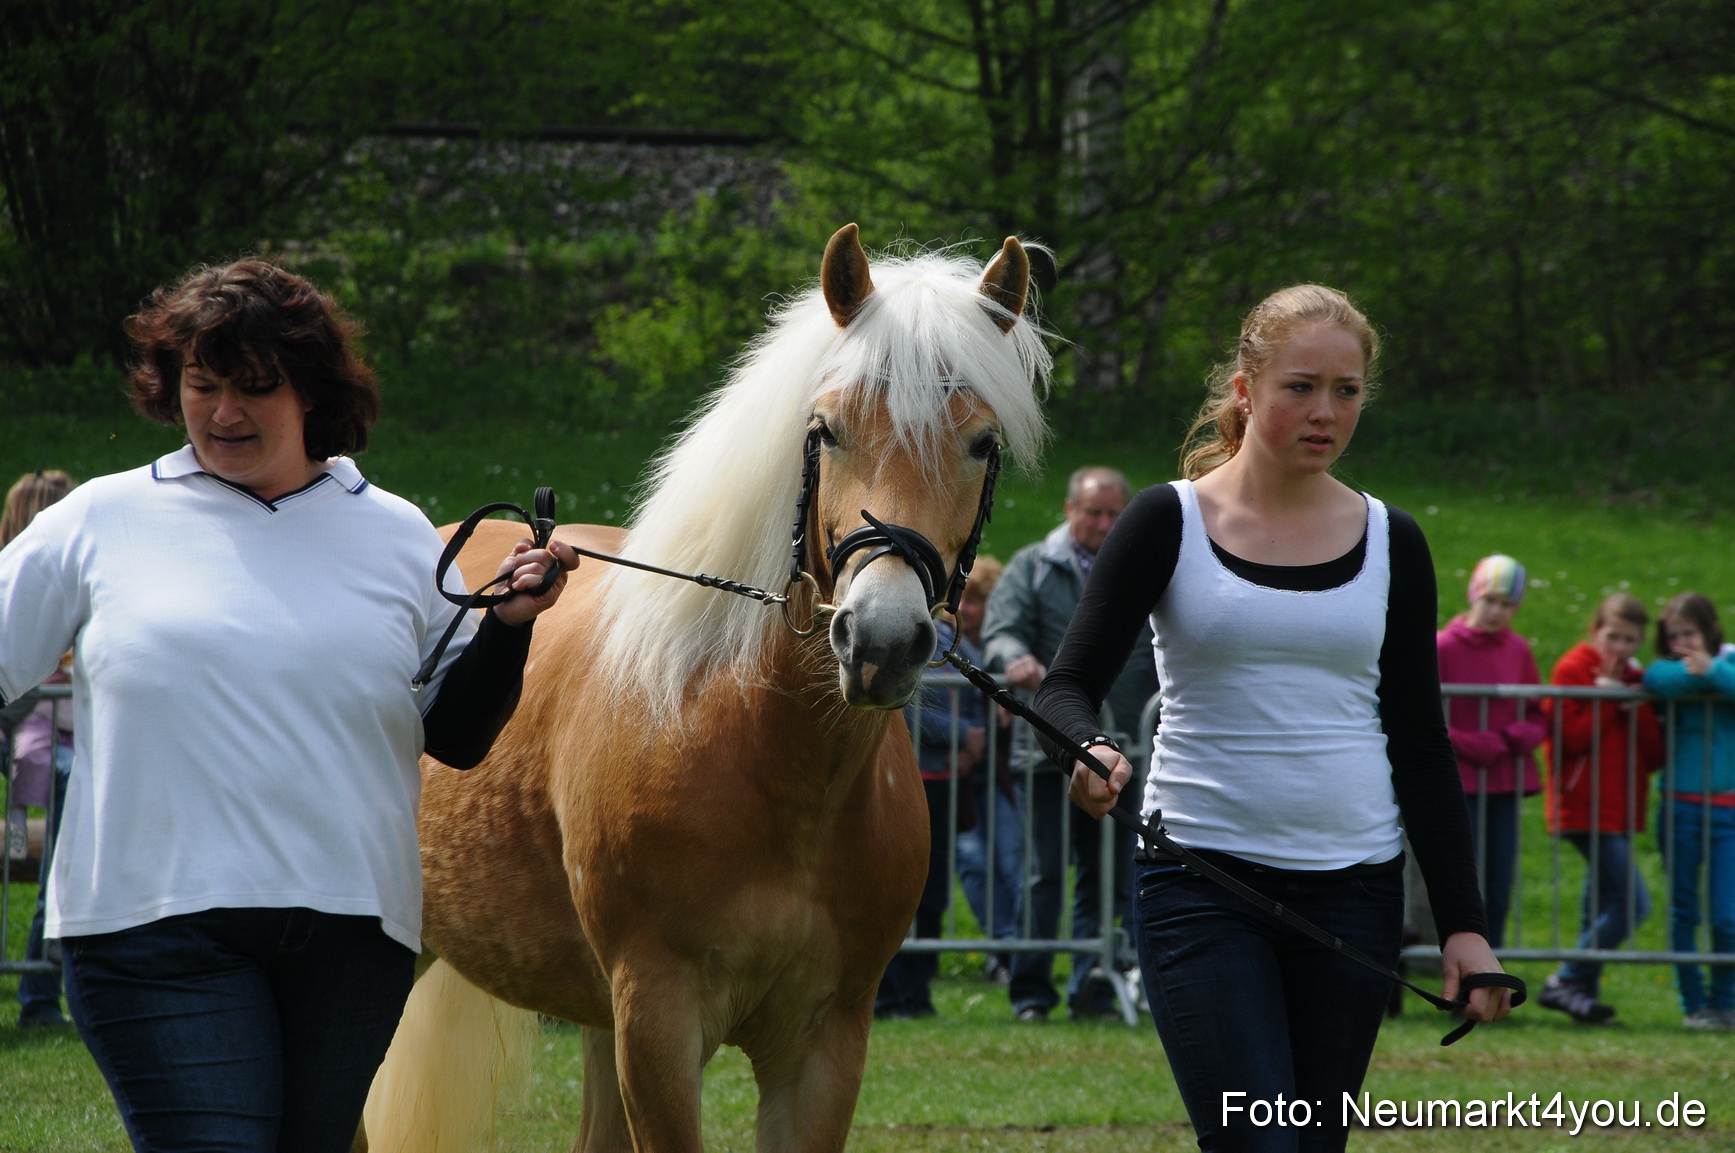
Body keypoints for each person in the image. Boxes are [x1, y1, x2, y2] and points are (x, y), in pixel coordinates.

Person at [0, 259, 580, 1152]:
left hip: (353, 936)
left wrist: (505, 627)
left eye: (253, 389)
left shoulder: (394, 533)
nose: (223, 414)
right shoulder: (97, 520)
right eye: (202, 385)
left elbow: (458, 736)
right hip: (151, 926)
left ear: (310, 391)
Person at [1036, 284, 1508, 1152]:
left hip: (1356, 894)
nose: (1325, 411)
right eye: (1300, 386)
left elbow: (1418, 741)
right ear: (1246, 389)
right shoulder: (1164, 519)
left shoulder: (1391, 538)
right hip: (1201, 884)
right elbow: (1065, 685)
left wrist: (1463, 926)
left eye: (1347, 390)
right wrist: (1089, 744)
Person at [983, 467, 1157, 1022]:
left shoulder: (1142, 568)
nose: (1103, 525)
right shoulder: (1033, 566)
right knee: (1043, 874)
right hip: (1045, 752)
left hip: (1123, 754)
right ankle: (1031, 992)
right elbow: (1000, 628)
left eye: (1113, 515)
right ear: (1069, 509)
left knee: (1105, 877)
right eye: (1093, 513)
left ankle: (1093, 986)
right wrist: (1014, 657)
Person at [1538, 592, 1662, 1025]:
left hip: (1622, 806)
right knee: (1632, 904)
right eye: (1613, 637)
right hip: (1582, 805)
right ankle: (1566, 979)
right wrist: (1606, 699)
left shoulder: (1635, 678)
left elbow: (1653, 753)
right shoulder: (1573, 667)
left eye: (1630, 641)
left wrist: (1637, 705)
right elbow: (1569, 740)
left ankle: (1580, 997)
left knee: (1600, 905)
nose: (1620, 649)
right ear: (1595, 630)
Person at [876, 600, 990, 1019]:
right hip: (907, 783)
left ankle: (918, 991)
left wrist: (973, 743)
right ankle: (889, 994)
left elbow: (978, 693)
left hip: (946, 786)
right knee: (896, 893)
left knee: (934, 893)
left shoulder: (953, 637)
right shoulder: (902, 633)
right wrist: (962, 736)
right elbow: (901, 705)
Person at [1436, 554, 1545, 949]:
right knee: (1468, 882)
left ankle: (1493, 968)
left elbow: (1537, 712)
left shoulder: (1518, 650)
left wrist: (1513, 738)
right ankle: (1461, 966)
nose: (1497, 611)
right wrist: (1474, 743)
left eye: (1508, 604)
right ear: (1473, 597)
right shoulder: (1443, 646)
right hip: (1459, 781)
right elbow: (1424, 714)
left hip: (1503, 782)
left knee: (1499, 884)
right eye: (1490, 600)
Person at [2, 469, 78, 1028]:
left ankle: (44, 993)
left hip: (79, 739)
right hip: (49, 743)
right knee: (57, 879)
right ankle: (38, 995)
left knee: (62, 879)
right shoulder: (25, 591)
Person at [1643, 592, 1735, 1030]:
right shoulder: (1669, 669)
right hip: (1679, 805)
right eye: (1674, 636)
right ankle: (1695, 1005)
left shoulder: (1726, 664)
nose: (1682, 643)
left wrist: (1713, 671)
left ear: (1711, 631)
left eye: (1690, 634)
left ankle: (1726, 1002)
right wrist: (1705, 676)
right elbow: (1659, 681)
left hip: (1727, 812)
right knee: (1684, 910)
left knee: (1727, 913)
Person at [951, 556, 1024, 984]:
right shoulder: (939, 644)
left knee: (1012, 858)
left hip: (999, 778)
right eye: (960, 599)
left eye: (976, 601)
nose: (966, 609)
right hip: (958, 781)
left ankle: (1016, 947)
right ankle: (1003, 948)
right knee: (974, 860)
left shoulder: (1001, 648)